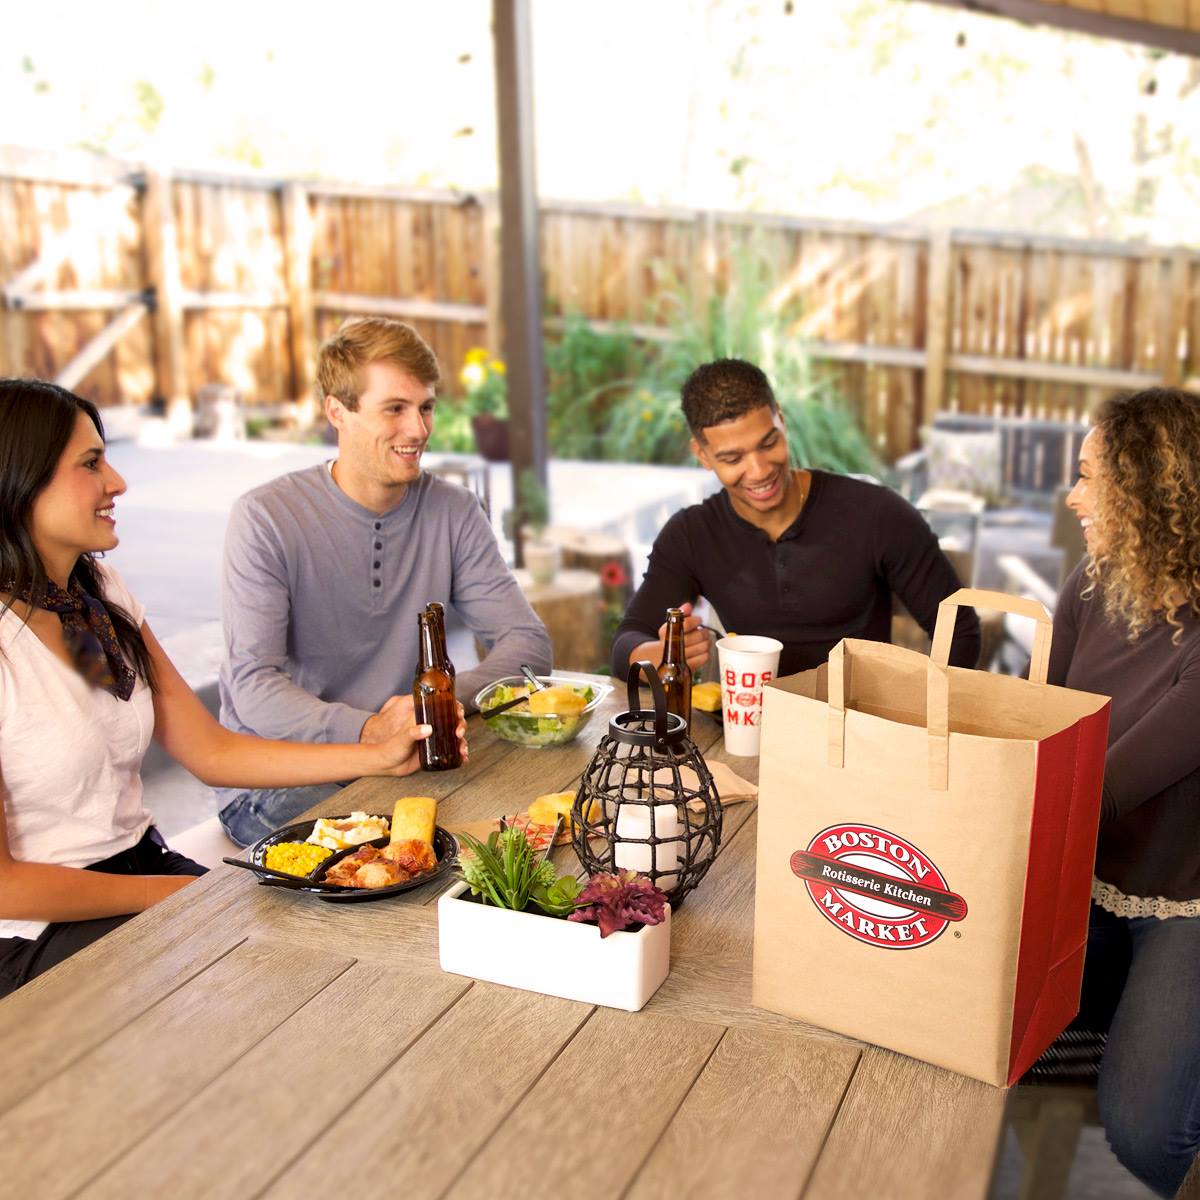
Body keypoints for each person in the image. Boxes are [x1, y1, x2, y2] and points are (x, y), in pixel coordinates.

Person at [0, 379, 459, 999]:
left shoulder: (91, 602)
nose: (117, 481)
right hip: (41, 927)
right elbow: (6, 886)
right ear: (17, 480)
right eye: (90, 464)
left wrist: (376, 754)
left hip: (141, 869)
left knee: (338, 956)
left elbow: (208, 751)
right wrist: (184, 894)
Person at [217, 317, 551, 845]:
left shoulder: (454, 511)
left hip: (407, 753)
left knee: (532, 808)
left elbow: (529, 645)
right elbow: (253, 688)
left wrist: (431, 706)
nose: (418, 430)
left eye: (426, 407)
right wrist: (369, 731)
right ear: (337, 412)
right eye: (394, 409)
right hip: (285, 778)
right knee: (428, 843)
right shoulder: (265, 518)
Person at [1053, 387, 1200, 1198]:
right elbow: (1036, 715)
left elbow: (1101, 789)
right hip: (1088, 877)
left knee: (1146, 1133)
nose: (1073, 498)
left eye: (1090, 479)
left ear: (1151, 496)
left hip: (1185, 903)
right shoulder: (1094, 581)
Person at [610, 358, 979, 679]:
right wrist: (652, 657)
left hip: (860, 725)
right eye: (732, 458)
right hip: (751, 727)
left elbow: (959, 629)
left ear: (782, 421)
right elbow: (629, 638)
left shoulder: (877, 514)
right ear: (702, 455)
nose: (758, 471)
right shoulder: (691, 535)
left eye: (769, 443)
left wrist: (924, 715)